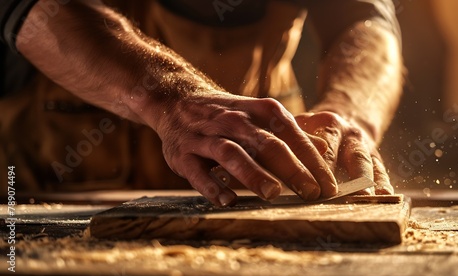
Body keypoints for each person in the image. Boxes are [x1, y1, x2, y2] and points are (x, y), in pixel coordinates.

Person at [0, 0, 403, 206]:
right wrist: (170, 98)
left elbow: (366, 22)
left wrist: (350, 116)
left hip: (256, 203)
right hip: (47, 202)